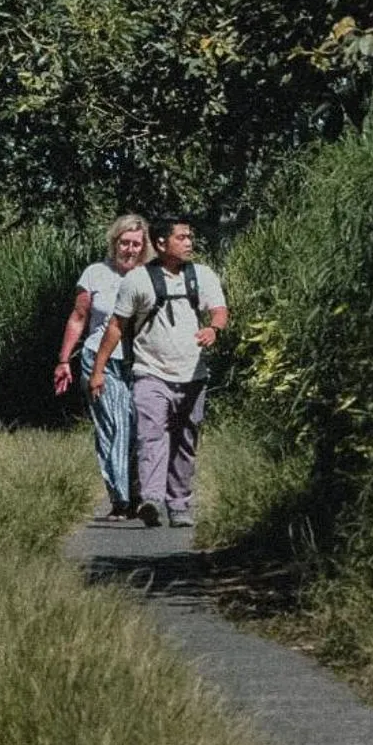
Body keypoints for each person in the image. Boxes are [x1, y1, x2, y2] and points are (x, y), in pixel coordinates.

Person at [89, 216, 226, 530]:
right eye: (182, 237)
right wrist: (98, 371)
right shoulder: (137, 280)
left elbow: (219, 309)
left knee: (185, 440)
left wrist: (214, 328)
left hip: (193, 375)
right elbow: (115, 326)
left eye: (190, 237)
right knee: (151, 435)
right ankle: (151, 499)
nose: (189, 242)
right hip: (150, 372)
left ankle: (179, 504)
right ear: (161, 243)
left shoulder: (201, 276)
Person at [54, 215, 149, 517]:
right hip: (99, 359)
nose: (129, 250)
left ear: (144, 247)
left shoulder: (150, 276)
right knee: (114, 424)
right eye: (124, 243)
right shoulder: (95, 274)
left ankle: (136, 492)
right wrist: (63, 360)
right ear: (114, 243)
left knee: (137, 426)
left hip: (140, 362)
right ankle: (121, 498)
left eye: (136, 244)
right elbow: (79, 317)